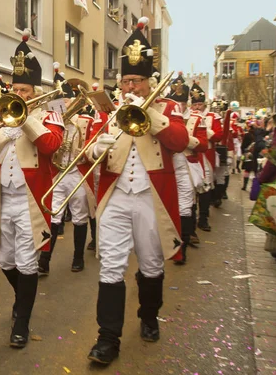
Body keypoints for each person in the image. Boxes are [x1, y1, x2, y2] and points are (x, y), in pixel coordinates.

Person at [84, 18, 189, 365]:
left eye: (138, 81)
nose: (131, 86)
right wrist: (95, 149)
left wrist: (149, 113)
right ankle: (107, 337)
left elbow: (180, 141)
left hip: (149, 198)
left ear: (150, 82)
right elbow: (87, 151)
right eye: (127, 80)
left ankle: (148, 315)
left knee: (151, 264)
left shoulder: (168, 109)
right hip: (115, 197)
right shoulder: (109, 112)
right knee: (110, 267)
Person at [0, 29, 64, 348]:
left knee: (26, 262)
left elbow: (51, 146)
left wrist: (24, 120)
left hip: (31, 202)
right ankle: (22, 300)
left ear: (35, 92)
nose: (18, 94)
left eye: (24, 90)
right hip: (1, 199)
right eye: (15, 89)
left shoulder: (48, 115)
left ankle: (21, 321)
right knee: (5, 261)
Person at [38, 63, 102, 275]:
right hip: (57, 173)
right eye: (58, 101)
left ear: (72, 101)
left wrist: (78, 149)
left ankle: (78, 257)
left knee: (79, 216)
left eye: (65, 100)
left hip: (77, 173)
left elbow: (92, 144)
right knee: (53, 215)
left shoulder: (85, 120)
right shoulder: (52, 121)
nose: (61, 104)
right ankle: (45, 260)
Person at [166, 74, 208, 264]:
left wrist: (185, 139)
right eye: (175, 102)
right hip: (167, 165)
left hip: (186, 167)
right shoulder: (165, 118)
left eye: (182, 102)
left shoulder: (197, 119)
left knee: (185, 206)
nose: (179, 106)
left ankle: (181, 249)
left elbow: (204, 145)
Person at [191, 83, 221, 232]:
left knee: (205, 185)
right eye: (195, 104)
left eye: (200, 104)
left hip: (206, 155)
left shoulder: (212, 116)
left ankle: (203, 217)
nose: (197, 107)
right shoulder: (188, 116)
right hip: (191, 155)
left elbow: (219, 136)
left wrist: (206, 131)